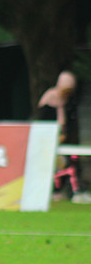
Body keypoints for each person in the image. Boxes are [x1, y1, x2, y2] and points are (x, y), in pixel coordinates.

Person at [38, 71, 90, 204]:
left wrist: (64, 135)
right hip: (48, 139)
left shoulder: (68, 102)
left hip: (63, 139)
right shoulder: (49, 99)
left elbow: (70, 123)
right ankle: (52, 191)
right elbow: (43, 122)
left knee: (67, 165)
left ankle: (70, 191)